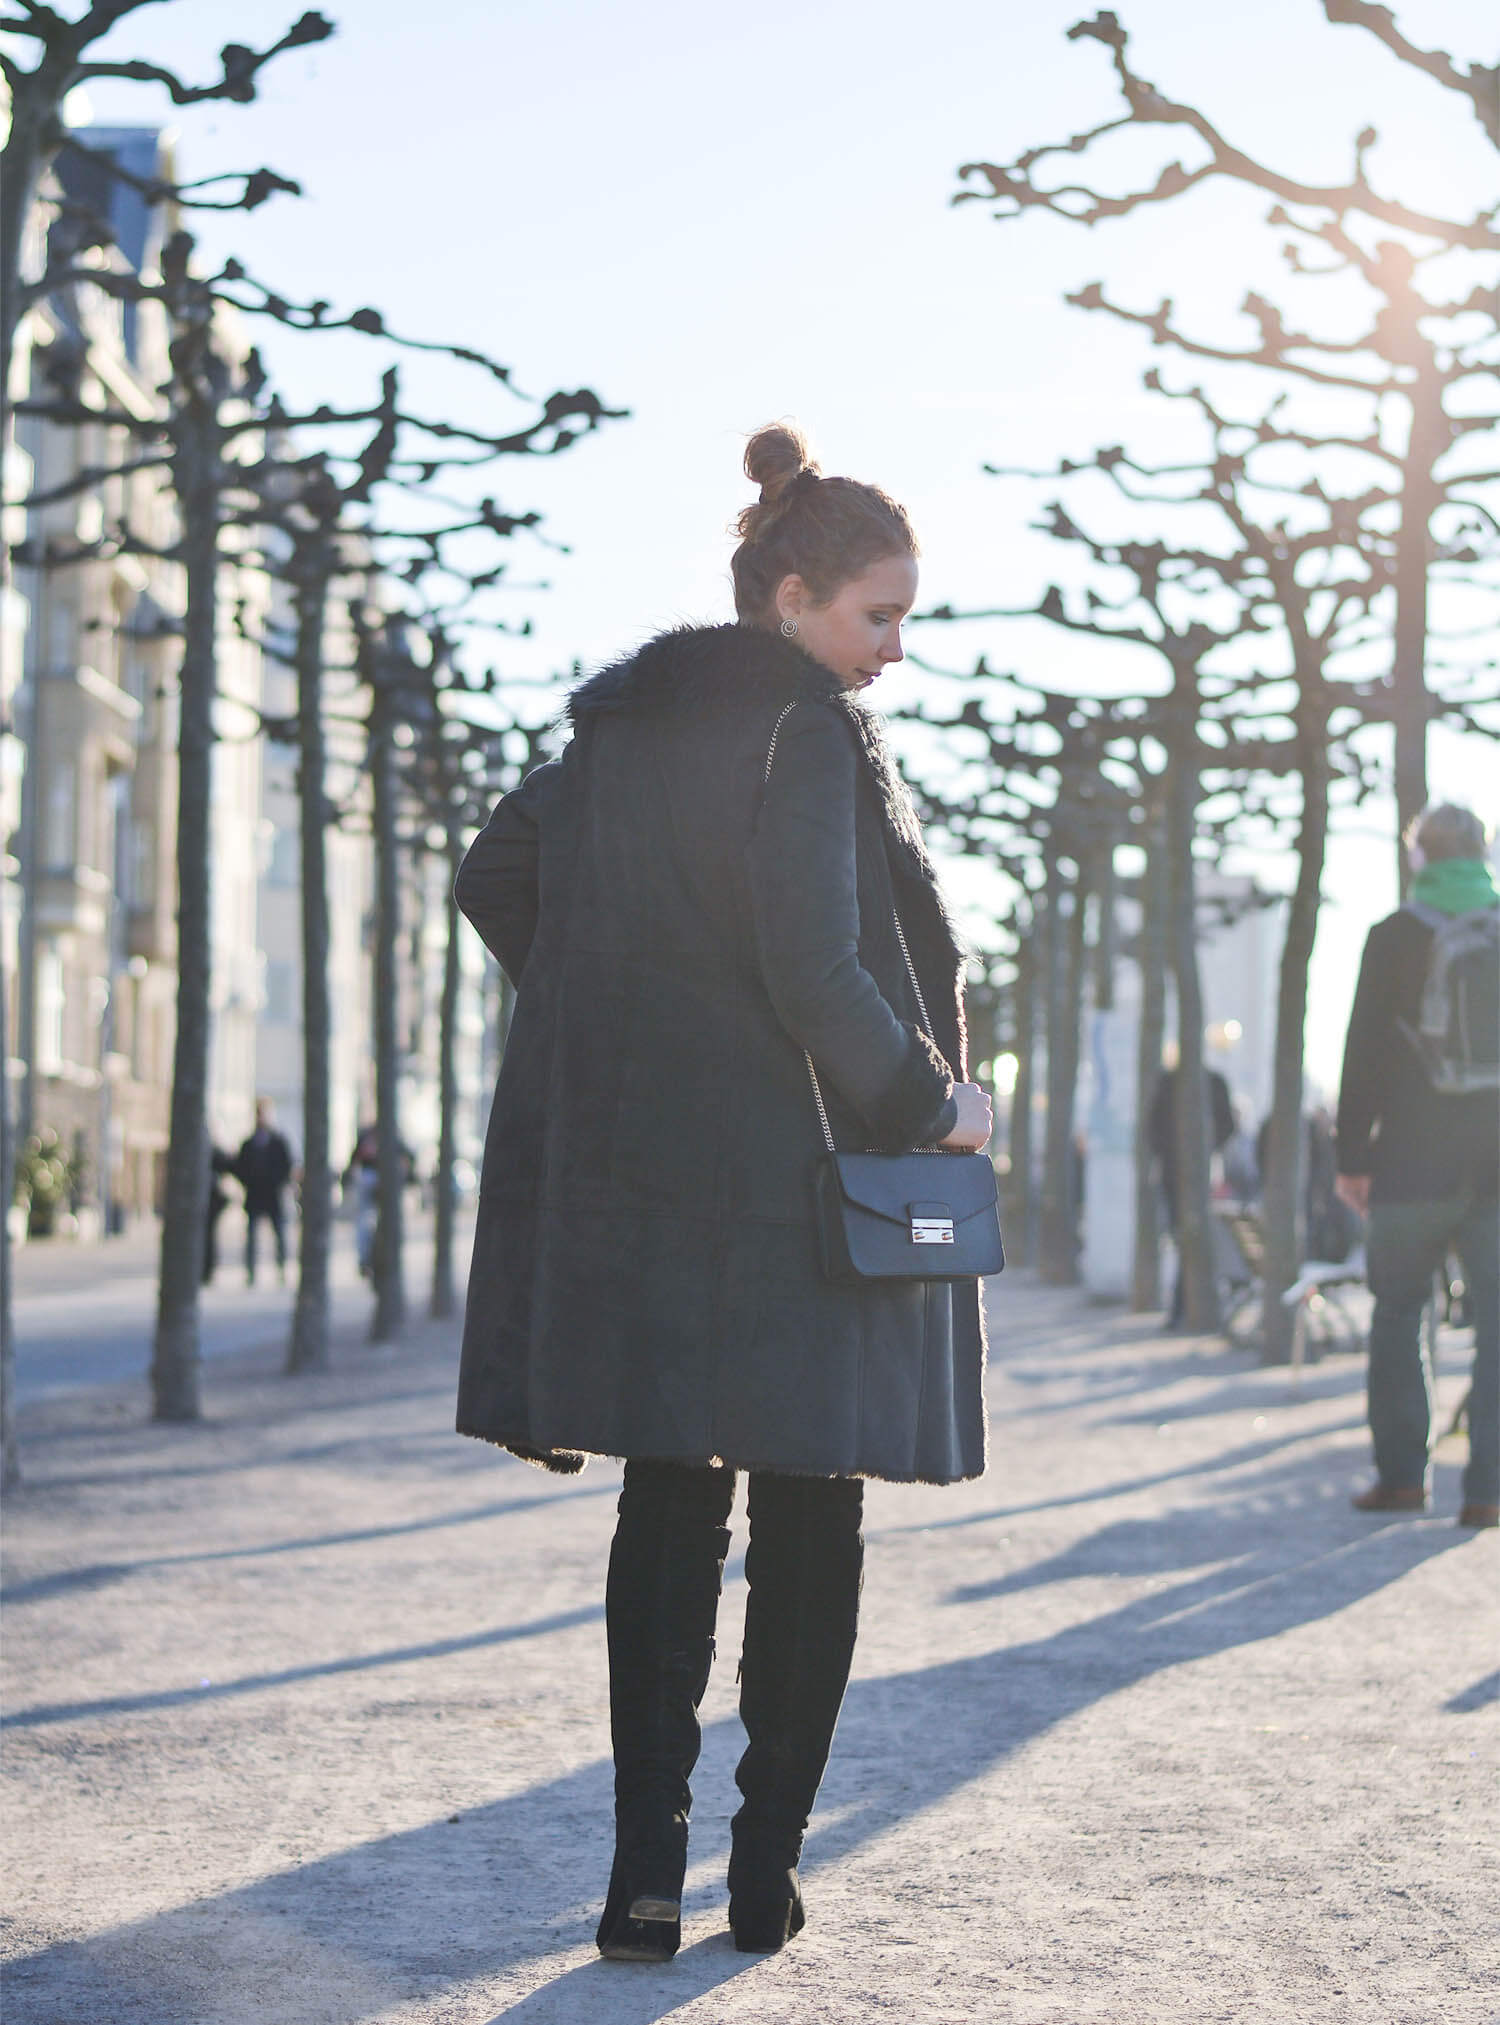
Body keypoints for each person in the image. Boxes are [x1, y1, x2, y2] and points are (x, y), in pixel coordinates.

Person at [453, 424, 993, 1963]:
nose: (891, 651)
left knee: (668, 1506)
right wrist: (934, 1106)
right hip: (802, 1195)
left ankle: (640, 1883)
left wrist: (621, 1014)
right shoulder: (805, 734)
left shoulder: (613, 741)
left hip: (646, 1184)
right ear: (793, 596)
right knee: (813, 1510)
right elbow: (817, 965)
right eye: (877, 616)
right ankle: (762, 1876)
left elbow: (495, 880)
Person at [1335, 803, 1499, 1528]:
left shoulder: (1393, 935)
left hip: (1408, 1163)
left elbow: (1363, 1047)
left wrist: (1352, 1155)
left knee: (1400, 1314)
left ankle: (1403, 1476)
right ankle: (1489, 1490)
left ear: (1419, 858)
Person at [1148, 1060, 1235, 1324]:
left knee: (1183, 1239)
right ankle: (1184, 1304)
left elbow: (1151, 1130)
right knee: (1190, 1239)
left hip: (1177, 1174)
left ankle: (1181, 1306)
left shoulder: (1170, 1082)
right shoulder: (1211, 1082)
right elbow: (1228, 1126)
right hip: (1194, 1173)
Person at [235, 1098, 295, 1286]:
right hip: (254, 1195)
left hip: (273, 1195)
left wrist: (277, 1182)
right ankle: (251, 1272)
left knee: (279, 1234)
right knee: (252, 1236)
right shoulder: (248, 1142)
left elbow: (287, 1166)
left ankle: (281, 1269)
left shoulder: (278, 1141)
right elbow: (240, 1167)